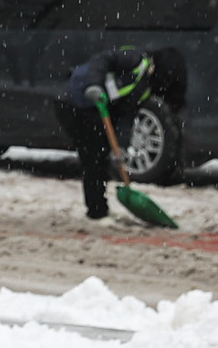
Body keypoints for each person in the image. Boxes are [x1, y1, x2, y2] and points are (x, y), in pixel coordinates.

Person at [53, 45, 155, 220]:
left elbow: (126, 117)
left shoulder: (143, 89)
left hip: (95, 110)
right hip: (72, 101)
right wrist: (94, 85)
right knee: (93, 157)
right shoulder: (135, 58)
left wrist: (121, 147)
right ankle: (97, 211)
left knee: (98, 157)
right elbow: (103, 59)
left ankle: (98, 208)